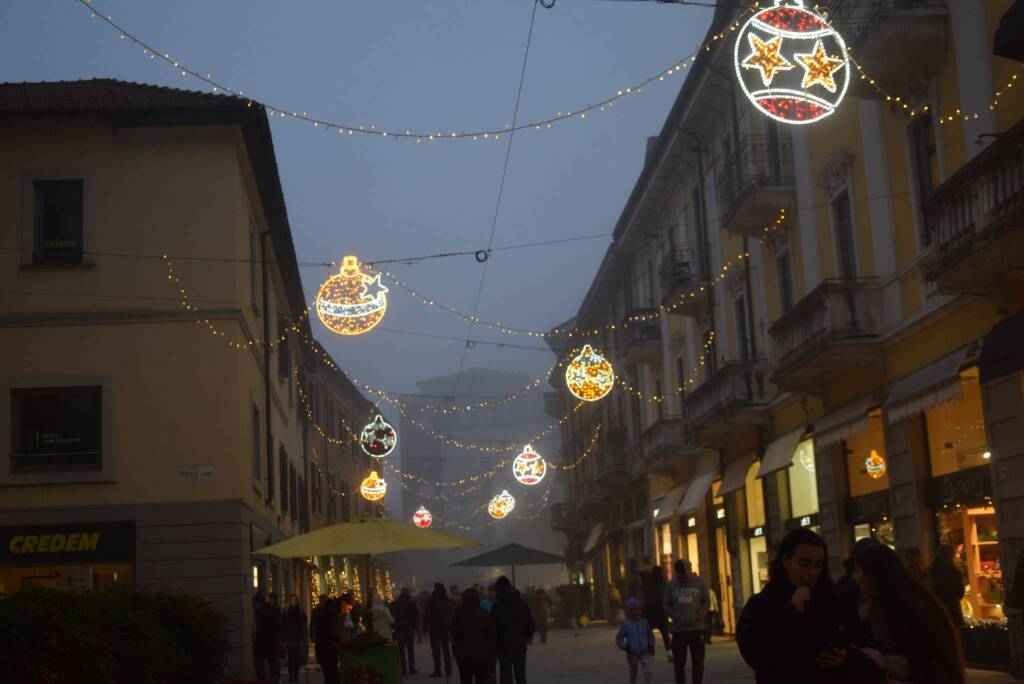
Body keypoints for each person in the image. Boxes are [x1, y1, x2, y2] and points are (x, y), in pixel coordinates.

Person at [736, 528, 880, 684]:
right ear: (786, 561)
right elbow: (757, 654)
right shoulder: (761, 605)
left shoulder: (833, 601)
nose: (812, 572)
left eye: (818, 565)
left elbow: (865, 648)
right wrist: (792, 611)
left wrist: (846, 658)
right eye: (804, 564)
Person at [853, 543, 967, 684]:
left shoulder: (906, 606)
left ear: (873, 573)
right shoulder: (878, 605)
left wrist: (887, 663)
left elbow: (929, 660)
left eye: (858, 570)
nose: (855, 577)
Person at [664, 558, 709, 684]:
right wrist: (674, 616)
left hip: (696, 628)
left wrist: (698, 615)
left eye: (682, 573)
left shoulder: (699, 582)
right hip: (679, 630)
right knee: (679, 663)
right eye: (678, 572)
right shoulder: (671, 585)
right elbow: (666, 604)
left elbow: (706, 601)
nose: (680, 576)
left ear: (688, 571)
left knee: (698, 662)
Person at [490, 575, 536, 684]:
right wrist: (528, 636)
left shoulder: (496, 607)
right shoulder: (522, 604)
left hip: (503, 645)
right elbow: (531, 623)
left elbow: (491, 627)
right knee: (520, 675)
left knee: (506, 675)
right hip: (520, 644)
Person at [452, 587, 498, 684]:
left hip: (464, 655)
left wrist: (455, 651)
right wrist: (492, 653)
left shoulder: (458, 613)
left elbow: (454, 633)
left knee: (465, 680)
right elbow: (491, 634)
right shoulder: (483, 613)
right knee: (481, 680)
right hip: (481, 654)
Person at [616, 598, 655, 684]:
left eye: (639, 609)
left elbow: (651, 635)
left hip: (645, 651)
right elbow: (619, 639)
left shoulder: (645, 623)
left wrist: (651, 645)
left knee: (648, 671)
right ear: (630, 611)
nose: (638, 612)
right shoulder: (626, 625)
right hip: (632, 653)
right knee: (633, 672)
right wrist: (625, 647)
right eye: (635, 609)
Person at [930, 544, 967, 627]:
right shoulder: (954, 572)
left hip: (937, 608)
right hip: (952, 607)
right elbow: (960, 592)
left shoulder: (933, 570)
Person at [424, 582, 454, 678]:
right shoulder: (447, 599)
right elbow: (450, 614)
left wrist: (425, 628)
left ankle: (437, 671)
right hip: (444, 628)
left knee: (436, 651)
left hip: (434, 628)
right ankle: (448, 669)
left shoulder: (432, 600)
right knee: (446, 649)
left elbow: (427, 615)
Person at [641, 566, 671, 660]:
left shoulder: (648, 582)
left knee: (649, 634)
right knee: (665, 633)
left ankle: (651, 652)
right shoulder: (664, 583)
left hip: (650, 611)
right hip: (661, 611)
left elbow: (643, 591)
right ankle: (669, 651)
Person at [252, 592, 282, 681]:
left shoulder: (260, 612)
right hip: (272, 642)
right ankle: (274, 679)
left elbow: (260, 631)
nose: (254, 606)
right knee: (273, 662)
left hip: (263, 642)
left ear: (258, 603)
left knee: (260, 663)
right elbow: (278, 626)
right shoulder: (273, 609)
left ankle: (265, 680)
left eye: (254, 604)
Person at [391, 587, 420, 676]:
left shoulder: (395, 604)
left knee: (401, 651)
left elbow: (392, 617)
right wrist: (415, 626)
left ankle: (403, 670)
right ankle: (411, 669)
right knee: (410, 650)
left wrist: (395, 626)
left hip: (399, 629)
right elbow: (416, 617)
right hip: (410, 630)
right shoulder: (412, 604)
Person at [314, 597, 342, 684]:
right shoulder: (331, 614)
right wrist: (340, 639)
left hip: (324, 649)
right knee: (332, 676)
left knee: (329, 675)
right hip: (327, 649)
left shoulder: (327, 612)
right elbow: (332, 632)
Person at [282, 594, 308, 684]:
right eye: (292, 600)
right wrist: (283, 639)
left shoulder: (299, 610)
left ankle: (295, 675)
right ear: (289, 601)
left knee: (296, 658)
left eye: (295, 600)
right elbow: (283, 625)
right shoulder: (286, 611)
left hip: (297, 638)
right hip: (289, 638)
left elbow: (304, 621)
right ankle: (291, 676)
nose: (293, 601)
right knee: (290, 658)